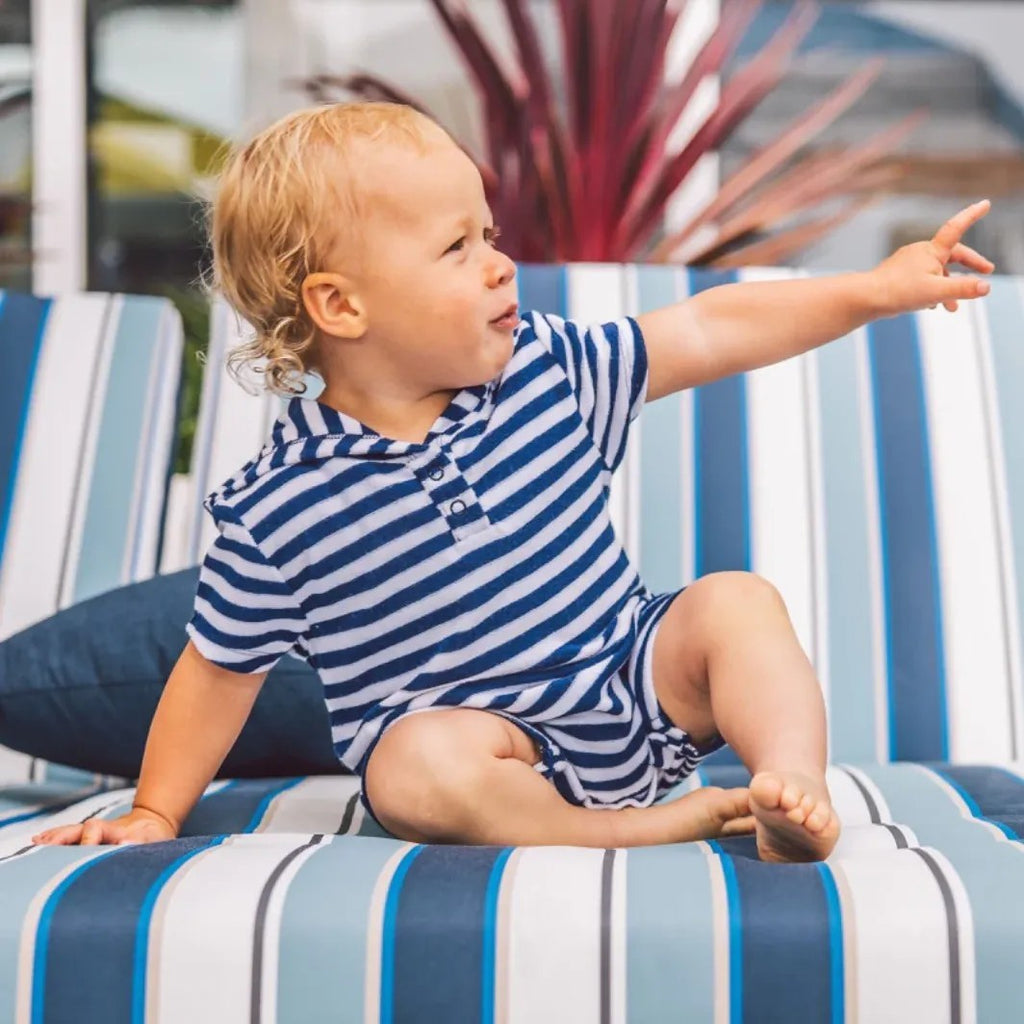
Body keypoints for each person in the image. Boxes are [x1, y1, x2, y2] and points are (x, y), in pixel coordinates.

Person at [32, 102, 994, 862]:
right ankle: (611, 832)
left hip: (635, 686)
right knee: (405, 766)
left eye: (487, 233)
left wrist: (872, 290)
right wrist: (157, 811)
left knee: (734, 603)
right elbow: (215, 671)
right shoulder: (282, 504)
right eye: (457, 247)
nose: (500, 265)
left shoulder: (542, 368)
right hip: (493, 753)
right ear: (341, 305)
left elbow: (706, 331)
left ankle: (790, 789)